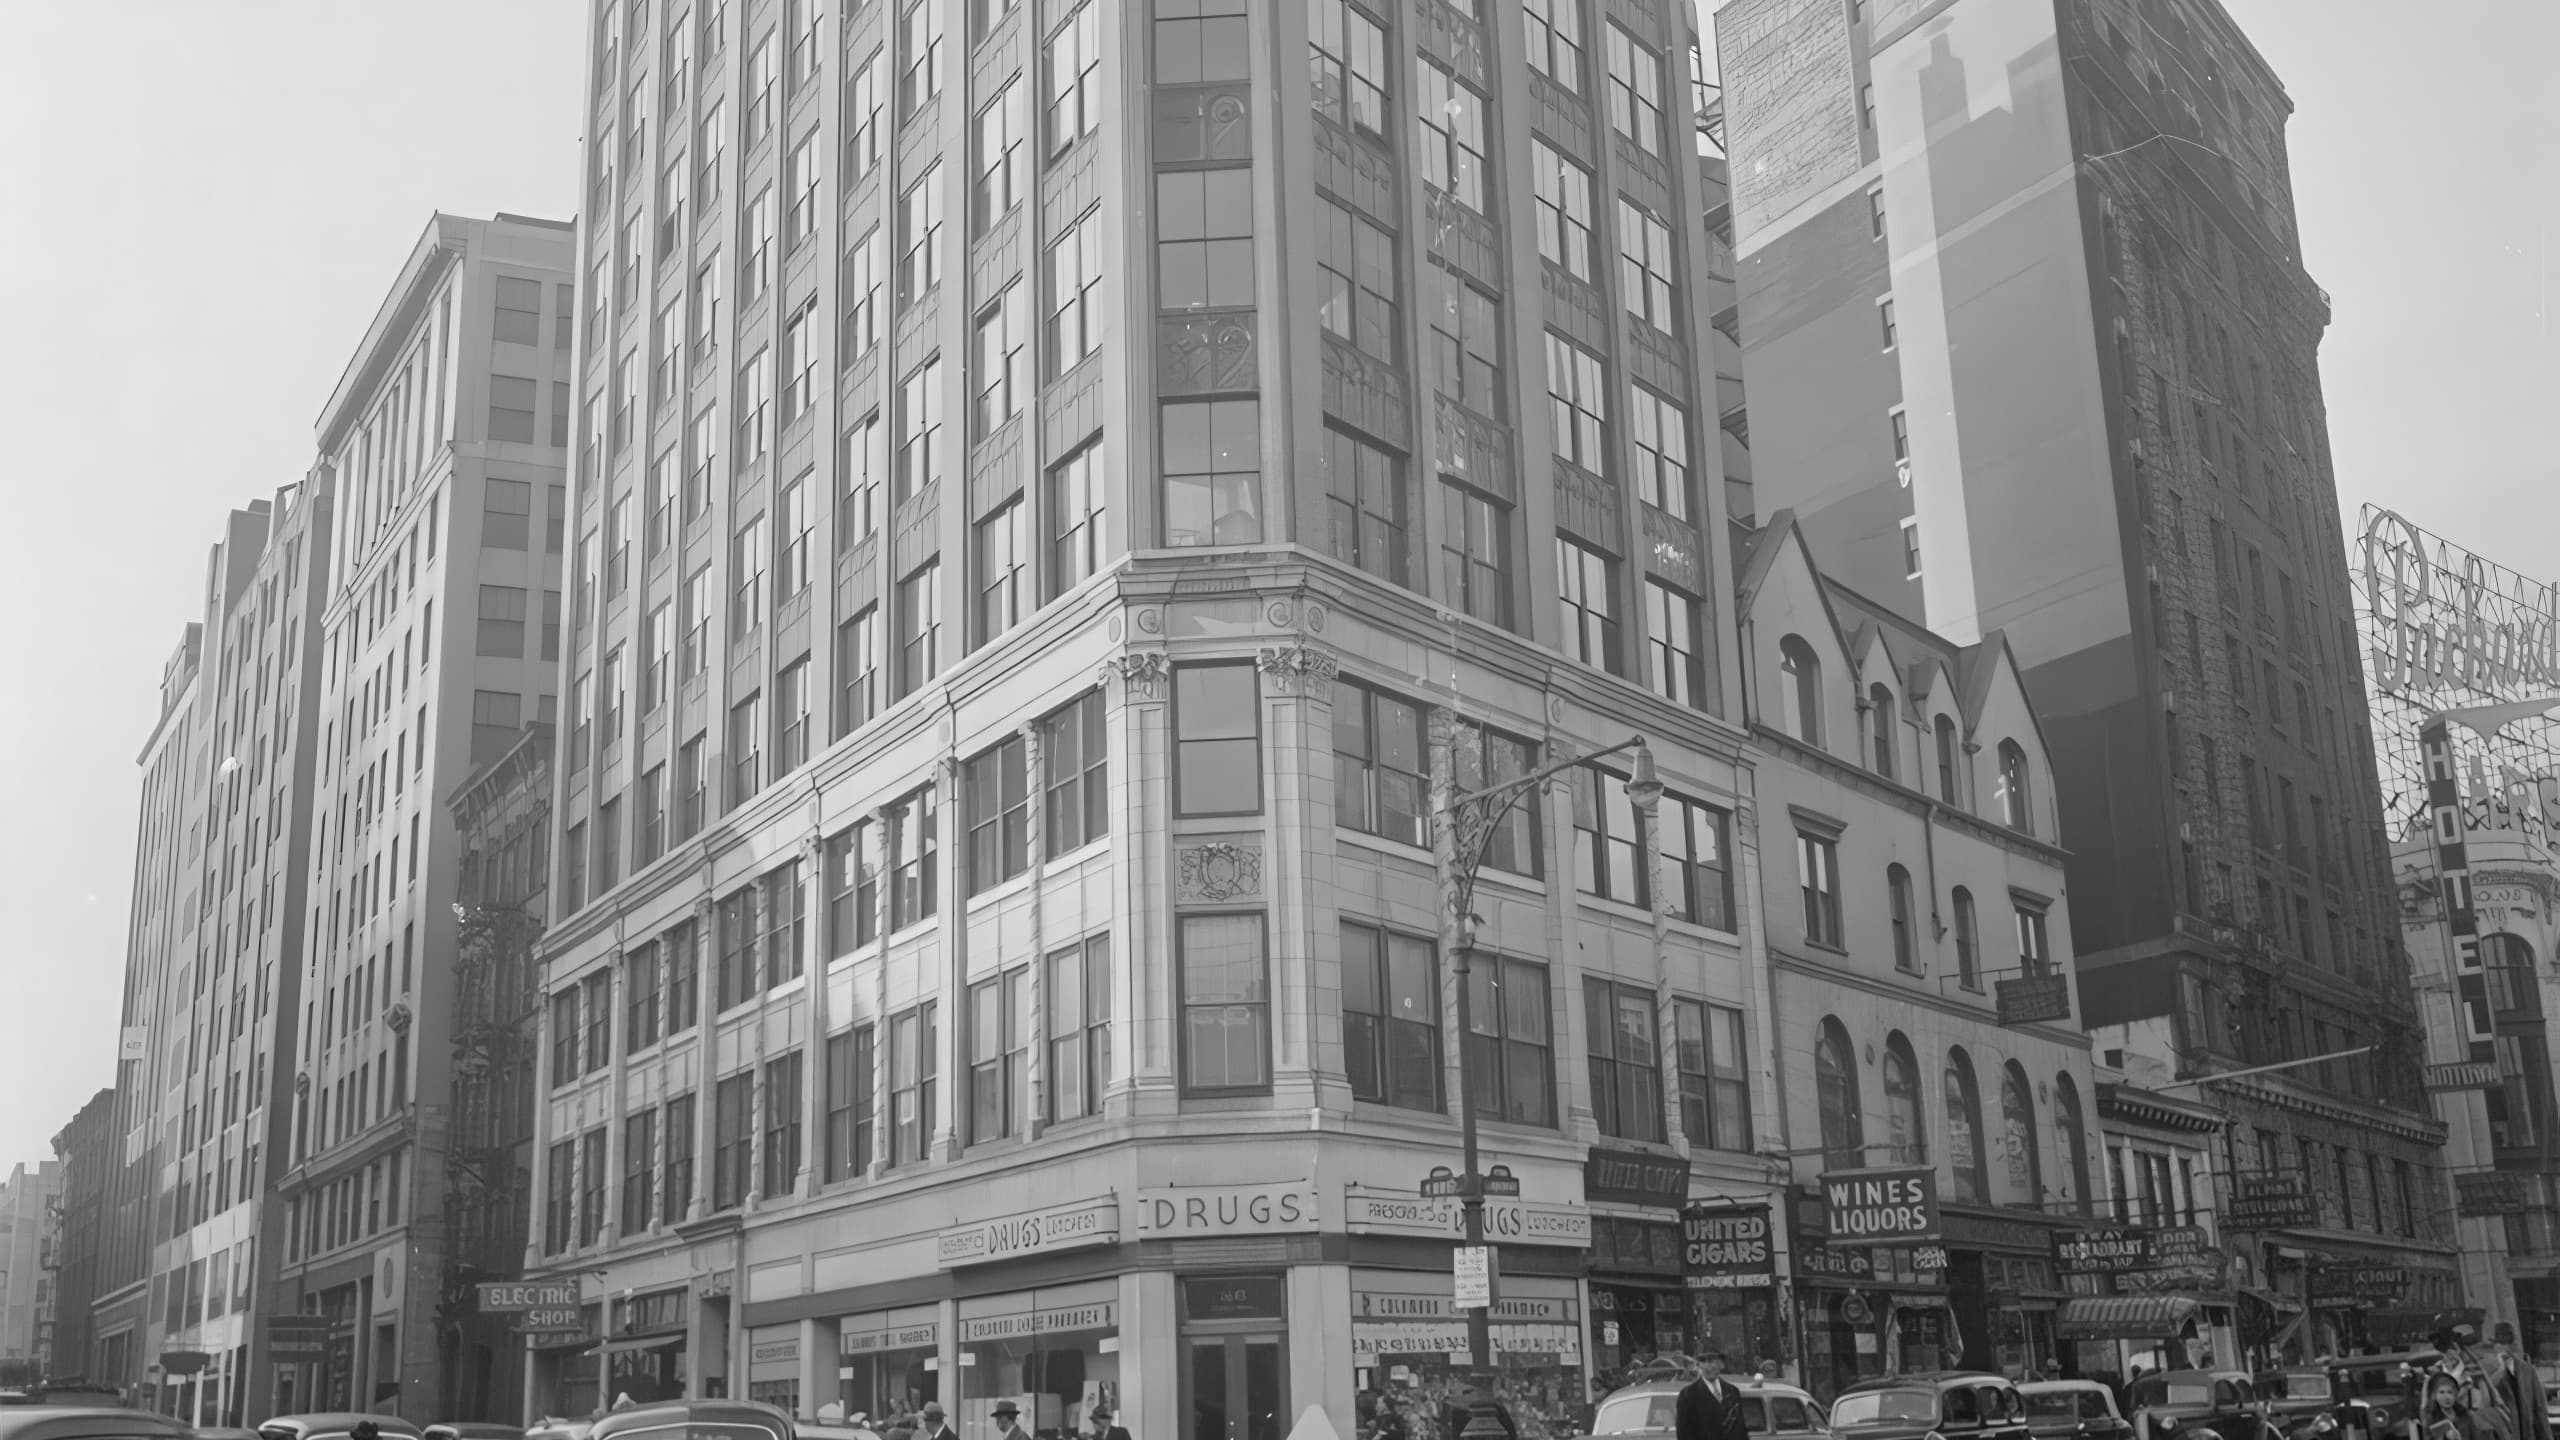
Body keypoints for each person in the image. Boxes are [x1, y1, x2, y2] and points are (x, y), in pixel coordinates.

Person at [2486, 1325, 2551, 1440]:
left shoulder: (2527, 1370)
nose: (2506, 1345)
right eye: (2501, 1341)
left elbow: (2539, 1410)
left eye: (2509, 1340)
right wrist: (2499, 1367)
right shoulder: (2487, 1370)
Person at [1678, 1352, 1751, 1440]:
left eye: (1711, 1360)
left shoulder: (1733, 1391)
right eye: (1702, 1361)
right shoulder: (1688, 1395)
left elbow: (1741, 1429)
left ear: (1722, 1364)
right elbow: (1684, 1434)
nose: (1707, 1366)